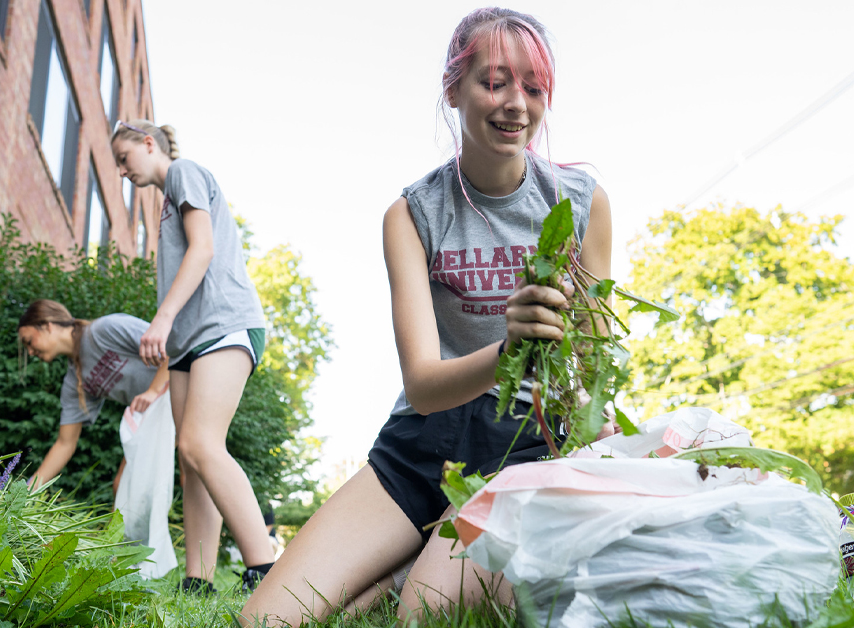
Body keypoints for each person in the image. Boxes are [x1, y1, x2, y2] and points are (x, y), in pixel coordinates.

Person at [241, 8, 612, 625]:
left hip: (525, 447)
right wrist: (509, 344)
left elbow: (595, 355)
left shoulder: (579, 203)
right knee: (265, 620)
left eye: (534, 87)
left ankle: (410, 574)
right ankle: (406, 557)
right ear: (453, 88)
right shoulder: (412, 214)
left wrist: (600, 426)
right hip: (423, 442)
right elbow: (421, 382)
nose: (515, 103)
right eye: (494, 82)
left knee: (426, 613)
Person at [110, 119, 274, 594]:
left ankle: (264, 567)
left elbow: (202, 250)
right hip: (187, 344)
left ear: (148, 144)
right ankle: (198, 579)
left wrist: (160, 320)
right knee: (190, 458)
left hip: (223, 324)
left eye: (125, 159)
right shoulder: (164, 204)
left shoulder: (183, 171)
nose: (122, 171)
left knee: (202, 444)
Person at [18, 300, 170, 493]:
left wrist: (154, 391)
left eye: (29, 342)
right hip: (156, 420)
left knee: (192, 470)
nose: (30, 352)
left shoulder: (105, 330)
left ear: (47, 325)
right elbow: (65, 443)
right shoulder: (74, 382)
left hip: (184, 394)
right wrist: (25, 493)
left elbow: (174, 346)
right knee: (124, 488)